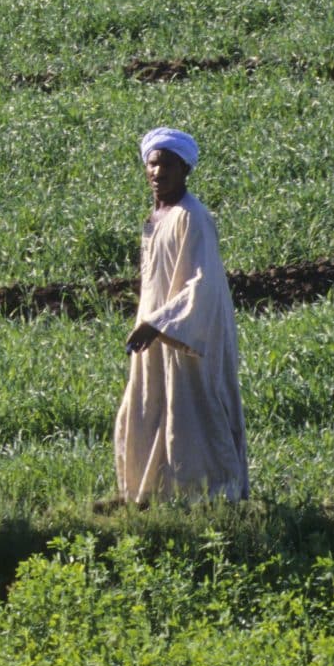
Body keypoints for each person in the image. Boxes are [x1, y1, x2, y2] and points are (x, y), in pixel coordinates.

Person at [112, 127, 249, 505]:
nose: (158, 173)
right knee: (148, 408)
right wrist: (151, 323)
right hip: (157, 332)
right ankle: (152, 496)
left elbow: (201, 285)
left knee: (194, 415)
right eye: (153, 165)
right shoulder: (157, 218)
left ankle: (211, 498)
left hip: (190, 336)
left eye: (168, 165)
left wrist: (160, 323)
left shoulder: (194, 217)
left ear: (185, 169)